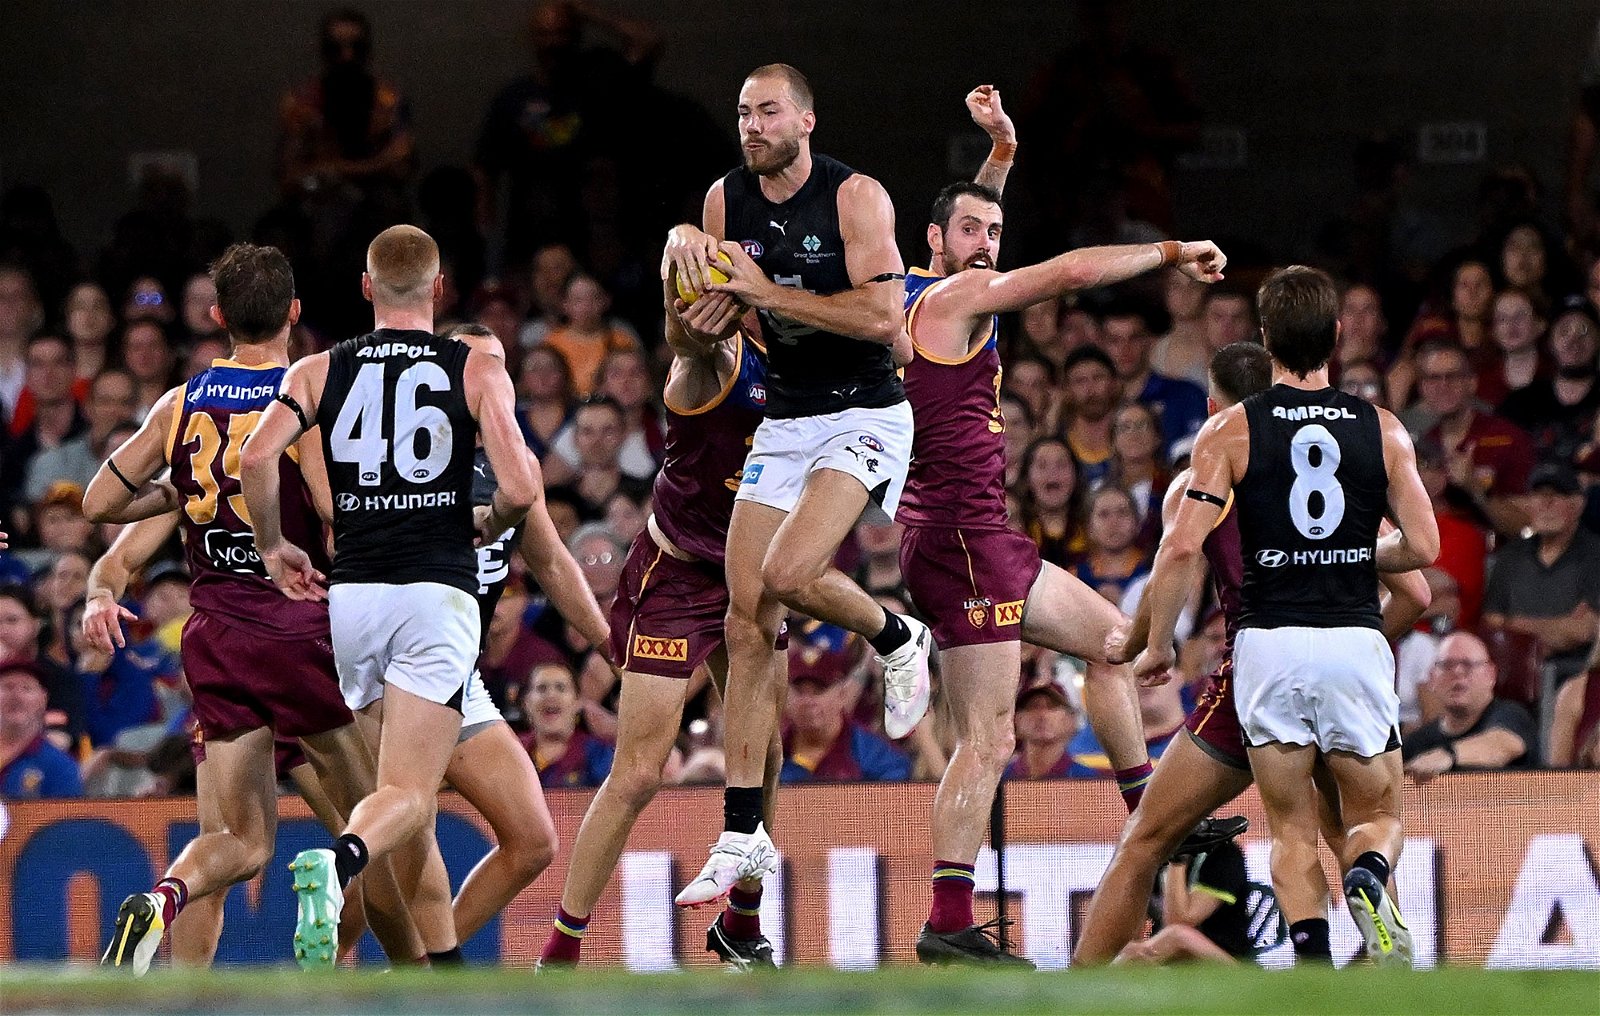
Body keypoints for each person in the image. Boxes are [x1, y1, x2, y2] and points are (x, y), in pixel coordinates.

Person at [894, 172, 1226, 964]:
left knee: (1115, 646)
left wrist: (1002, 154)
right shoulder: (951, 302)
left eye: (995, 233)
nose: (985, 247)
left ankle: (1154, 815)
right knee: (988, 736)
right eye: (968, 231)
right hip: (958, 541)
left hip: (983, 538)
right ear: (933, 242)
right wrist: (1171, 250)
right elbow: (1073, 272)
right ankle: (947, 919)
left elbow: (978, 234)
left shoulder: (927, 292)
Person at [85, 242, 423, 975]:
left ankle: (162, 900)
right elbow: (335, 511)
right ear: (296, 312)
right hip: (299, 632)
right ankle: (407, 982)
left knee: (238, 840)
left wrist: (173, 496)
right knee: (381, 822)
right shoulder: (303, 398)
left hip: (215, 638)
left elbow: (99, 503)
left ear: (215, 316)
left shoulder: (179, 406)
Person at [661, 64, 933, 912]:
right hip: (786, 416)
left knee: (785, 571)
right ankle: (742, 836)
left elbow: (887, 324)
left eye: (768, 110)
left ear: (807, 119)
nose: (752, 125)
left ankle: (895, 635)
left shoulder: (857, 198)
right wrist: (687, 301)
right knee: (748, 622)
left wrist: (767, 293)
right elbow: (699, 327)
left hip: (866, 410)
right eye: (742, 112)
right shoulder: (721, 201)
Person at [1074, 341, 1431, 967]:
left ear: (1213, 407)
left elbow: (1173, 561)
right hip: (1342, 657)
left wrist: (1141, 644)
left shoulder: (1203, 473)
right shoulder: (1339, 467)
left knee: (1148, 838)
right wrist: (1359, 644)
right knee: (1356, 833)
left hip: (1257, 669)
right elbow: (1417, 590)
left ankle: (1080, 988)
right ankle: (1386, 979)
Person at [237, 226, 534, 970]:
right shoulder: (473, 368)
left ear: (367, 288)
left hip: (355, 599)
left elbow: (255, 455)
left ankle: (439, 967)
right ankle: (339, 865)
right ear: (439, 291)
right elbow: (524, 488)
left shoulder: (315, 369)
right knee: (409, 794)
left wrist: (274, 547)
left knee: (405, 800)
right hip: (435, 592)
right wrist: (489, 519)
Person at [537, 286, 779, 970]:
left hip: (754, 574)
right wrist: (682, 277)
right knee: (638, 771)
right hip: (677, 575)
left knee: (766, 752)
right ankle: (560, 949)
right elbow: (684, 336)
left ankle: (743, 922)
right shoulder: (716, 357)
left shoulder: (809, 364)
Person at [1481, 460, 1600, 685]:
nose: (1546, 504)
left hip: (1575, 676)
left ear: (1578, 504)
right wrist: (1558, 628)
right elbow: (1493, 626)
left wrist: (1514, 624)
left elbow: (1585, 630)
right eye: (1538, 495)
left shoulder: (1595, 554)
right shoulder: (1511, 556)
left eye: (1556, 495)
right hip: (1512, 673)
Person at [1402, 631, 1538, 780]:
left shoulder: (1512, 716)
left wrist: (1448, 756)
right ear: (1432, 677)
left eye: (1468, 664)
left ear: (1491, 675)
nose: (1458, 672)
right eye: (1447, 665)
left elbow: (1501, 746)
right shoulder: (1417, 743)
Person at [1113, 834, 1261, 965]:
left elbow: (1178, 921)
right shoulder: (1151, 857)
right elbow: (1130, 929)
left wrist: (1178, 858)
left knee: (1177, 936)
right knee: (1126, 950)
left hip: (1227, 962)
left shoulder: (1225, 854)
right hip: (1171, 960)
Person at [0, 658, 83, 800]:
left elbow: (66, 820)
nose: (17, 696)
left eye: (27, 689)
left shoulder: (60, 767)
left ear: (43, 699)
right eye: (8, 687)